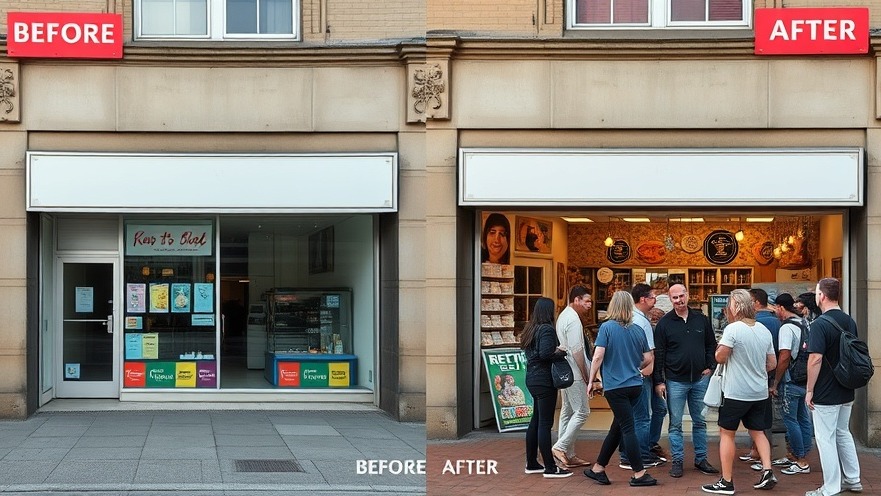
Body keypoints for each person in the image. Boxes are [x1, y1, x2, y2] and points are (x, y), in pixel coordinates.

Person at [702, 289, 778, 494]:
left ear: (735, 307)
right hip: (759, 391)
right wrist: (755, 370)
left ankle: (726, 481)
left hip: (736, 392)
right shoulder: (763, 330)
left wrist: (720, 350)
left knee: (727, 433)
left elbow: (720, 357)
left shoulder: (733, 329)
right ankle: (767, 471)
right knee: (758, 432)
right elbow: (772, 363)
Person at [583, 291, 657, 487]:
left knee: (627, 429)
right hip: (635, 385)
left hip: (615, 387)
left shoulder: (607, 327)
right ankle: (598, 468)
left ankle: (639, 473)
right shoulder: (638, 329)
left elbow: (598, 356)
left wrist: (591, 380)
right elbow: (648, 358)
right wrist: (634, 366)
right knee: (617, 428)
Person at [654, 284, 719, 478]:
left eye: (681, 296)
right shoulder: (664, 324)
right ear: (670, 299)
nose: (679, 300)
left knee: (700, 422)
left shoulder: (701, 319)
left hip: (700, 379)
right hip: (675, 381)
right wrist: (659, 381)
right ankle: (677, 461)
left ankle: (701, 459)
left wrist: (711, 366)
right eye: (675, 297)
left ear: (688, 295)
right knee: (675, 424)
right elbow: (659, 354)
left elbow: (711, 345)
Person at [804, 278, 862, 496]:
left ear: (822, 296)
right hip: (846, 386)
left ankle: (830, 487)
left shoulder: (820, 324)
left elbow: (815, 359)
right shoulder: (849, 320)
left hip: (825, 390)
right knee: (843, 433)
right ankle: (853, 479)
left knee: (825, 438)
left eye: (817, 292)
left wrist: (810, 390)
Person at [520, 297, 573, 478]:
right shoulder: (547, 329)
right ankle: (550, 467)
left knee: (535, 420)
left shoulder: (530, 328)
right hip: (544, 380)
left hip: (532, 378)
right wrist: (561, 352)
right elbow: (545, 354)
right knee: (545, 423)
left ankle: (532, 462)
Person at [618, 283, 666, 470]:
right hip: (643, 374)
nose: (656, 301)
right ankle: (641, 454)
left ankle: (637, 450)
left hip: (635, 374)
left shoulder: (633, 318)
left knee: (648, 412)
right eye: (653, 297)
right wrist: (645, 372)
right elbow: (648, 353)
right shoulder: (641, 322)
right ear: (643, 299)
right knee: (642, 417)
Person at [771, 293, 813, 476]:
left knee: (790, 420)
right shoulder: (805, 322)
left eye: (776, 308)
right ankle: (799, 454)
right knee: (802, 418)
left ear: (781, 308)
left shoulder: (787, 328)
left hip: (790, 380)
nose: (775, 312)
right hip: (805, 379)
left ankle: (800, 460)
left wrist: (776, 382)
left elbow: (784, 357)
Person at [551, 285, 593, 469]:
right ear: (576, 300)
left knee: (567, 411)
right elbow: (577, 351)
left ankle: (567, 454)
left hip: (566, 372)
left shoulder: (564, 316)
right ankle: (560, 447)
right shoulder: (574, 319)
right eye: (587, 301)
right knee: (582, 411)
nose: (589, 305)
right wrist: (586, 375)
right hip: (575, 373)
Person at [648, 277, 673, 460]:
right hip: (648, 373)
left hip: (657, 372)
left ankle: (650, 443)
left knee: (659, 409)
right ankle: (644, 445)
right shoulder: (644, 323)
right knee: (645, 413)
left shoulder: (659, 327)